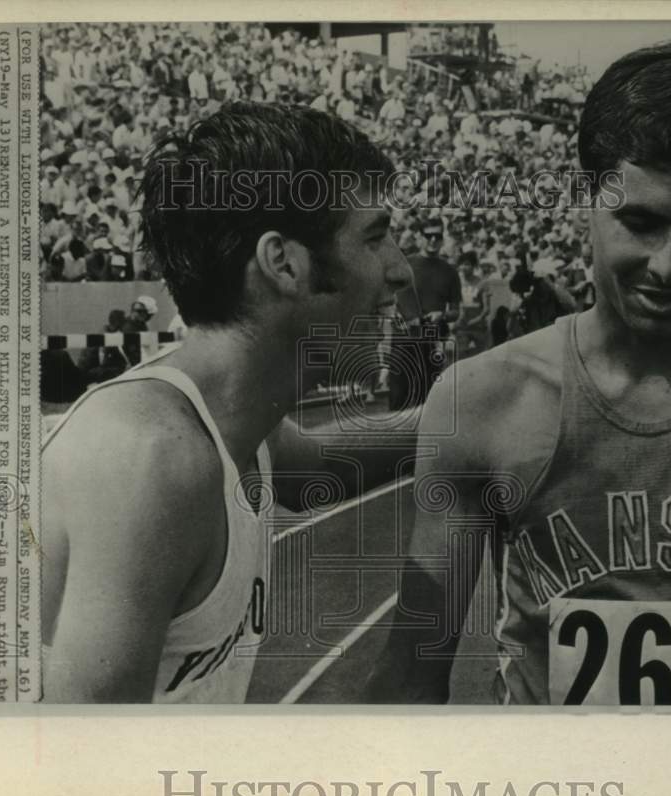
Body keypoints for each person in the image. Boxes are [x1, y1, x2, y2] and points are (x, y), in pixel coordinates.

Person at [367, 44, 671, 706]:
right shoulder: (486, 397)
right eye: (640, 222)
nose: (668, 264)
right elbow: (409, 683)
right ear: (586, 204)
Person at [42, 103, 412, 703]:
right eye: (375, 237)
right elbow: (86, 772)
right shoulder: (153, 460)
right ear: (283, 264)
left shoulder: (237, 426)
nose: (399, 269)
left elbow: (321, 462)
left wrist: (490, 393)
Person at [389, 218, 462, 411]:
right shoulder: (404, 264)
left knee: (426, 402)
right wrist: (395, 313)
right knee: (398, 399)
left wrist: (443, 315)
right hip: (403, 339)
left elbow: (455, 311)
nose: (433, 240)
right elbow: (388, 297)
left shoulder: (449, 271)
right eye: (428, 236)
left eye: (437, 236)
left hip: (430, 341)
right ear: (420, 237)